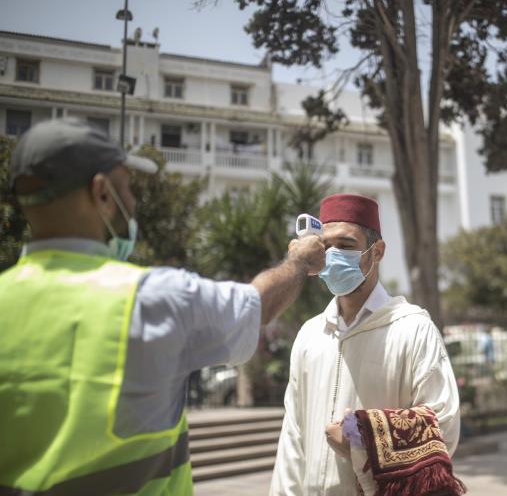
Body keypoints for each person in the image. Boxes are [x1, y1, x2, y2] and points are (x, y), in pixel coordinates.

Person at [0, 118, 325, 496]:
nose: (134, 201)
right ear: (102, 194)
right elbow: (258, 305)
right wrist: (300, 261)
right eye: (128, 188)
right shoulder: (155, 299)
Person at [269, 193, 461, 496]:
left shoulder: (411, 328)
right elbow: (294, 436)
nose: (333, 255)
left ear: (377, 252)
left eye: (345, 246)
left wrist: (362, 441)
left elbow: (443, 425)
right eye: (326, 246)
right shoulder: (310, 334)